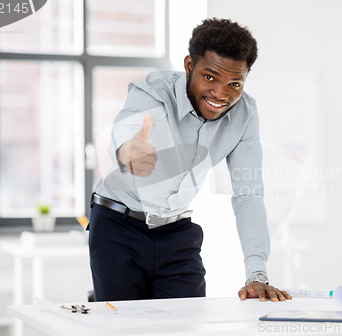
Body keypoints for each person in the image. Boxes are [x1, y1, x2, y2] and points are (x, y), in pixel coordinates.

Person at [88, 18, 291, 303]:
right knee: (123, 325)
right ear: (189, 66)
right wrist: (129, 151)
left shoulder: (246, 114)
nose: (221, 94)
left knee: (187, 323)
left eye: (234, 83)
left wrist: (257, 274)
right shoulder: (154, 91)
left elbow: (249, 193)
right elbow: (128, 127)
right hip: (119, 228)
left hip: (177, 233)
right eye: (210, 77)